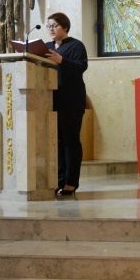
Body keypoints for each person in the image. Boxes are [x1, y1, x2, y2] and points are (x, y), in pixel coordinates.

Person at [44, 12, 89, 196]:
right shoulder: (46, 47)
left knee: (71, 141)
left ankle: (71, 182)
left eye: (55, 25)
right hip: (50, 101)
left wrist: (61, 60)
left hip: (71, 100)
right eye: (49, 26)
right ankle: (58, 180)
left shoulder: (76, 45)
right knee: (57, 142)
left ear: (65, 27)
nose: (51, 29)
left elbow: (81, 67)